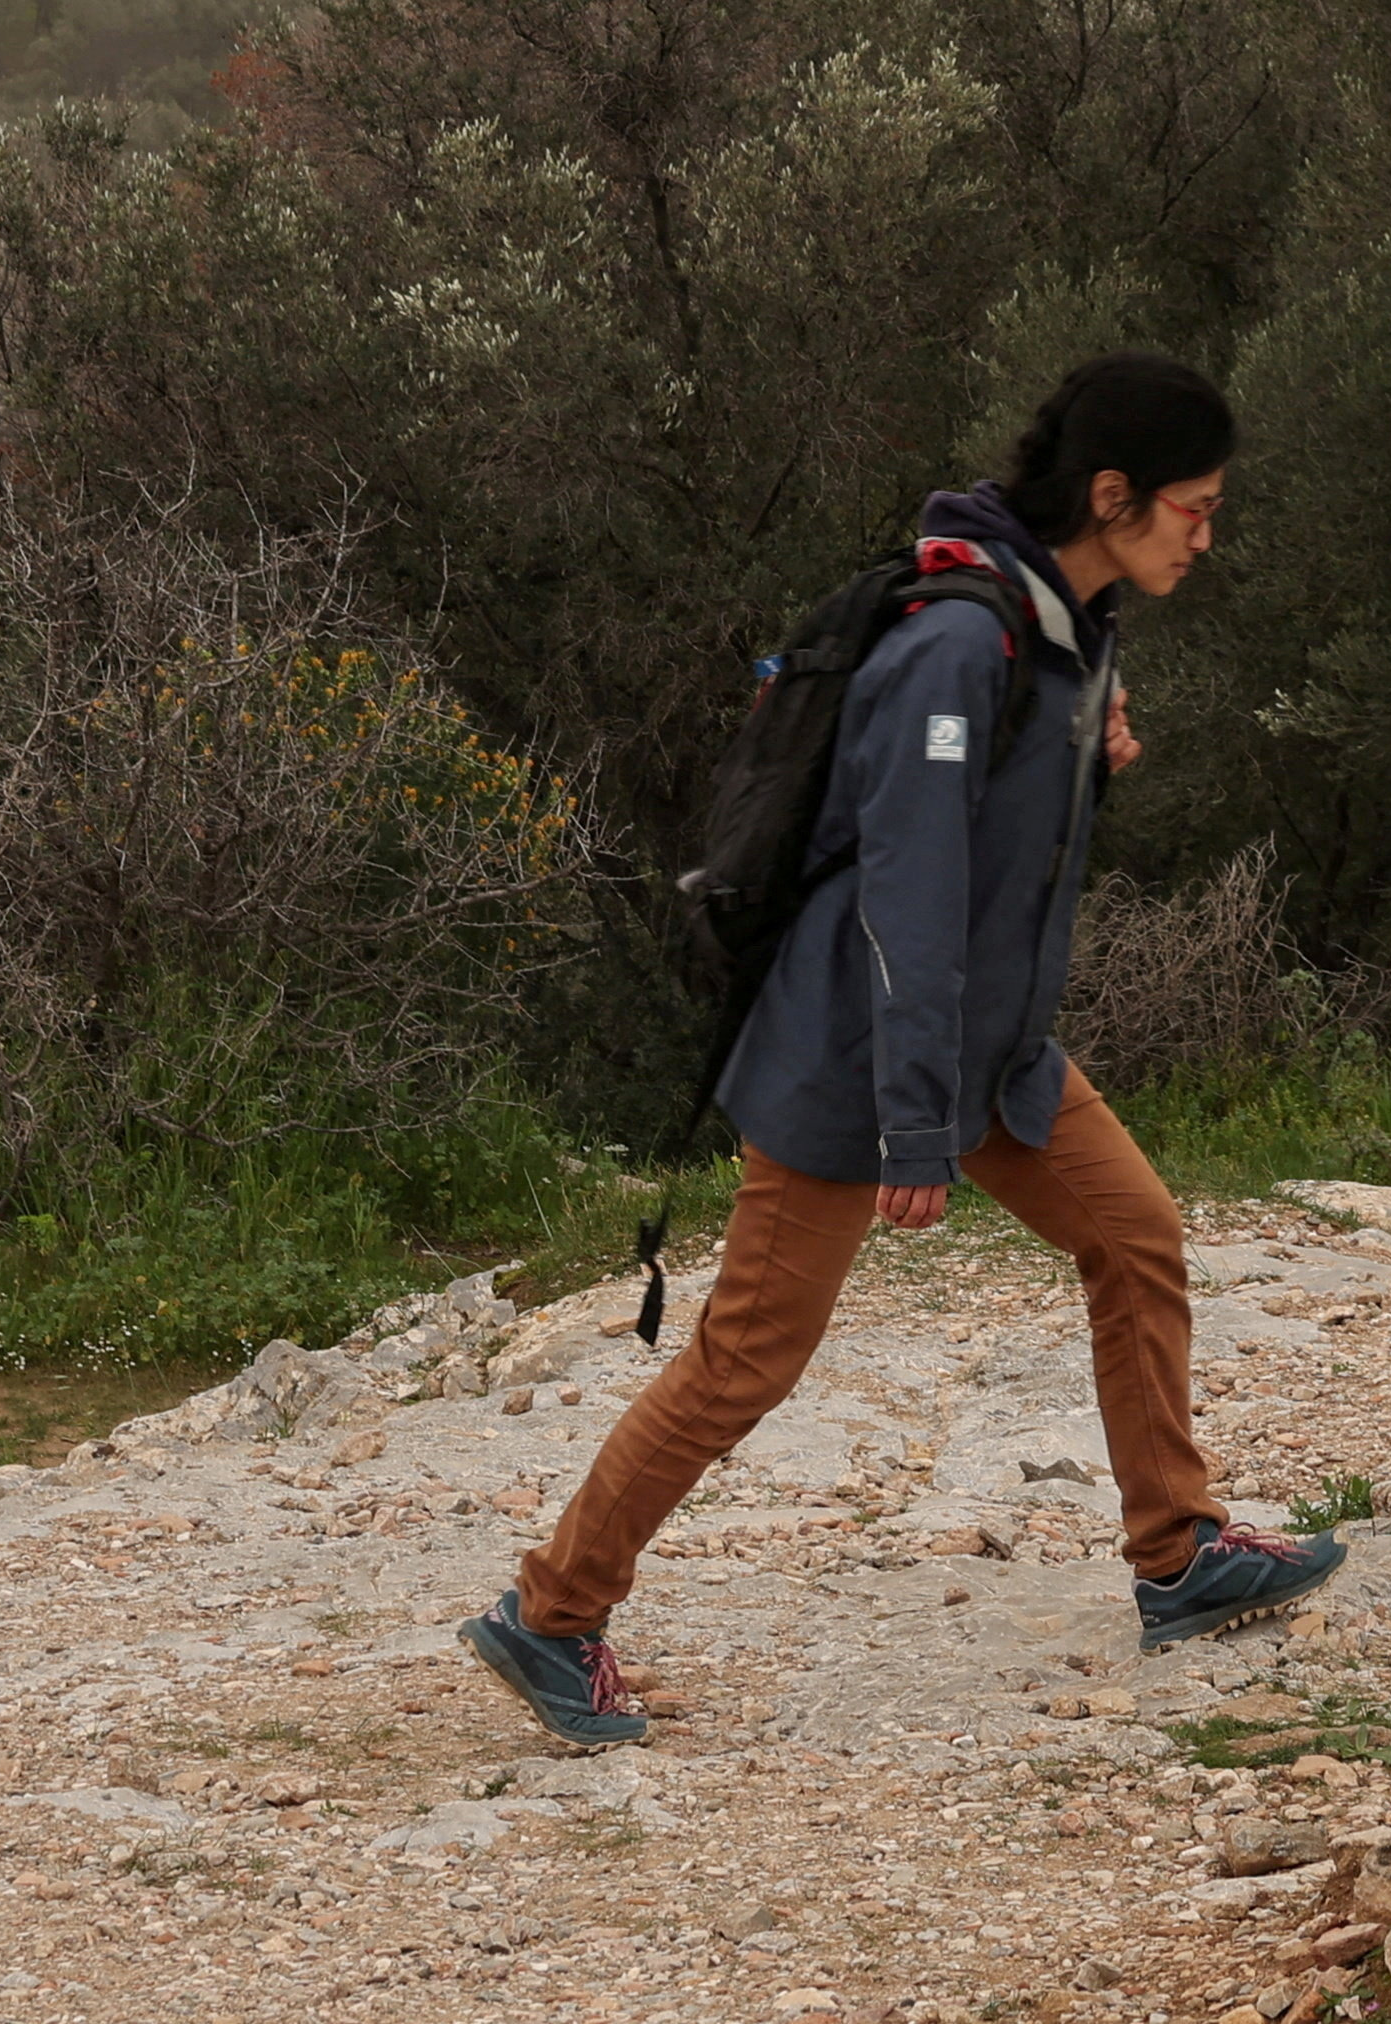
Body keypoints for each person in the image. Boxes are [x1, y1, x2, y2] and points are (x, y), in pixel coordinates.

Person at [467, 352, 1340, 1743]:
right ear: (1113, 496)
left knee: (1137, 1237)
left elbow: (998, 863)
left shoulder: (1072, 624)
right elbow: (907, 899)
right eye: (1195, 506)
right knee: (746, 1359)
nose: (1207, 534)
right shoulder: (959, 644)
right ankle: (552, 1611)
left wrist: (1080, 769)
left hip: (986, 1052)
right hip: (854, 1062)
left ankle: (1177, 1553)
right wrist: (915, 1123)